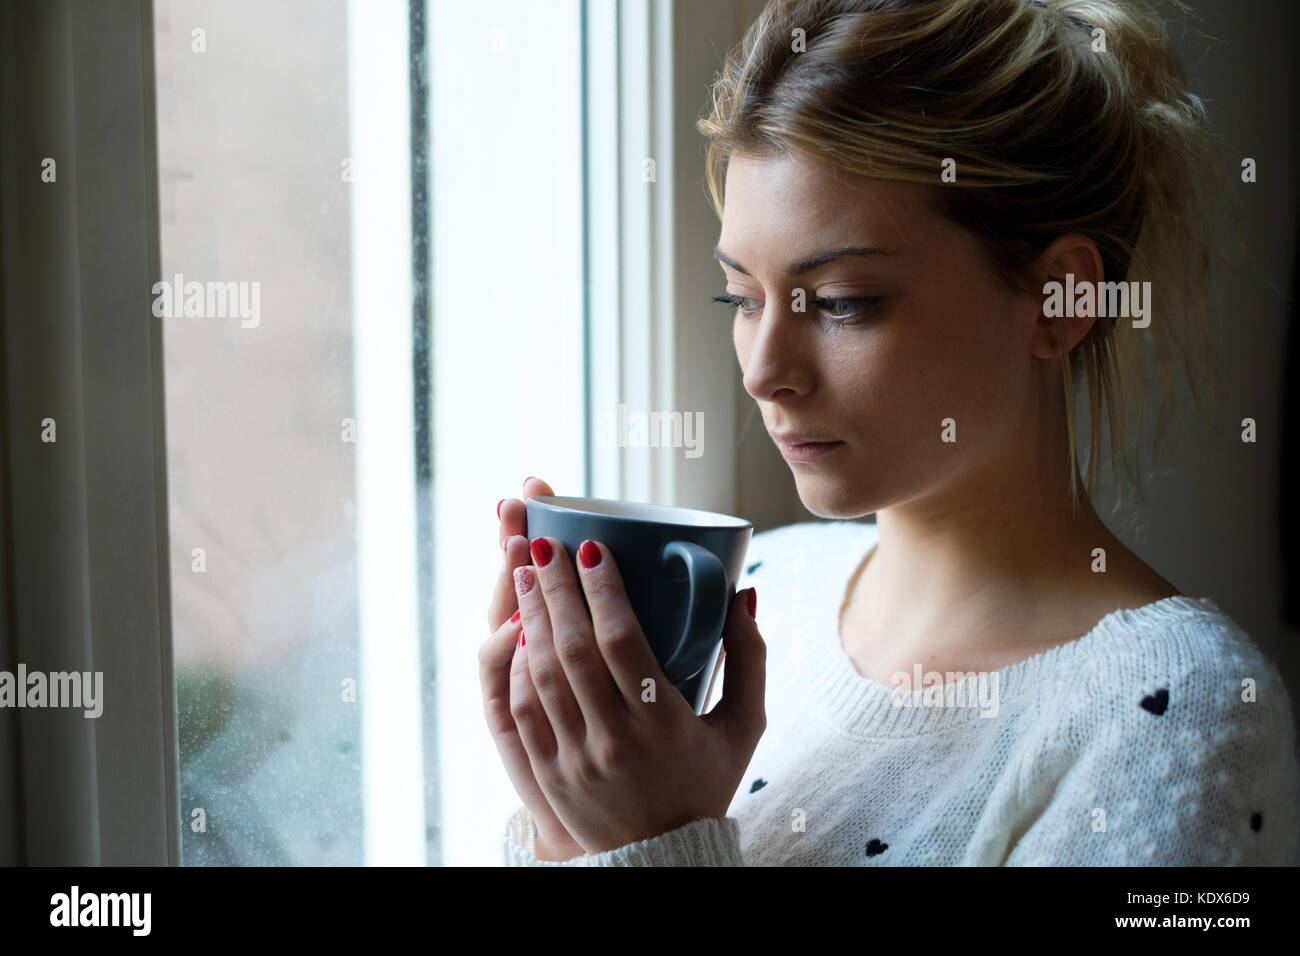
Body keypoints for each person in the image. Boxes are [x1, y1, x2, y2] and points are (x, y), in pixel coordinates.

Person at [480, 0, 1299, 865]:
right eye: (743, 299)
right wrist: (571, 823)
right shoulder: (754, 593)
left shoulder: (1182, 712)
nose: (763, 371)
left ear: (1062, 299)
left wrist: (650, 843)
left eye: (842, 303)